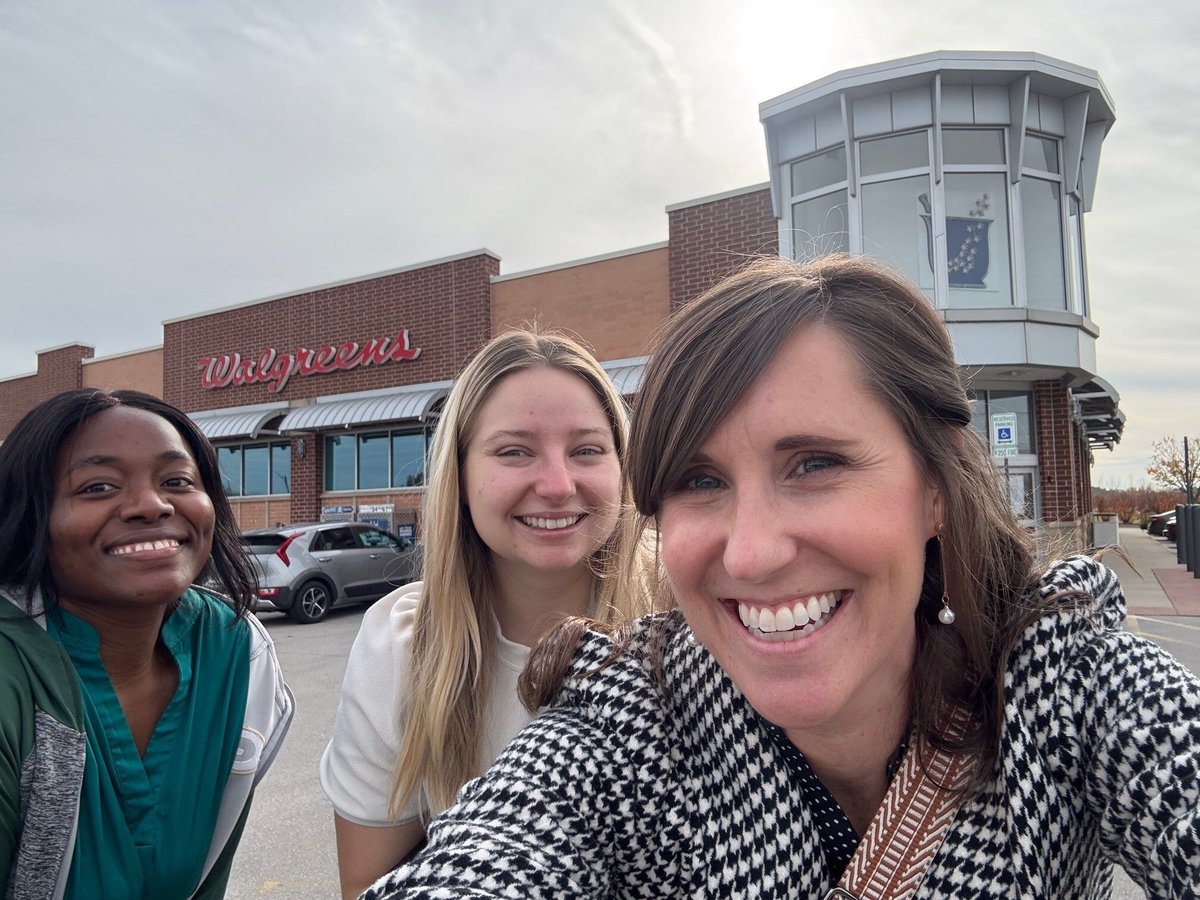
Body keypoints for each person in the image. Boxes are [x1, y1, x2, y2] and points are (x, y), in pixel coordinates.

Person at [364, 255, 1200, 899]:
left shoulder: (1070, 685)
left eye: (814, 463)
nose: (753, 553)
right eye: (699, 480)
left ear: (937, 489)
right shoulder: (629, 720)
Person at [320, 330, 650, 899]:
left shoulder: (695, 612)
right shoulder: (399, 644)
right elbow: (367, 887)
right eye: (514, 451)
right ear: (462, 479)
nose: (556, 484)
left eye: (587, 450)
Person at [0, 389, 293, 899]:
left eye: (177, 481)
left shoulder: (234, 656)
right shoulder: (11, 676)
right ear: (31, 518)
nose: (151, 505)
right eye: (97, 486)